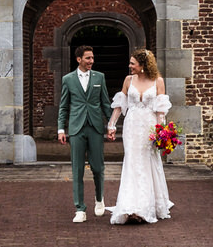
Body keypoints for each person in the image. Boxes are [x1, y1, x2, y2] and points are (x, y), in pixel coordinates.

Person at [106, 47, 173, 224]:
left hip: (149, 128)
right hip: (132, 126)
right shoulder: (129, 80)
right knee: (132, 162)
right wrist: (111, 125)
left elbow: (160, 111)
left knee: (148, 162)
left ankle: (146, 205)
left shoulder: (158, 81)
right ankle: (130, 205)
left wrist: (162, 132)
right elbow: (120, 105)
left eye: (132, 63)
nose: (130, 66)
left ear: (143, 65)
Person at [57, 44, 115, 223]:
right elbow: (64, 106)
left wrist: (111, 125)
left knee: (98, 168)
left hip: (95, 127)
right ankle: (80, 209)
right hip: (76, 128)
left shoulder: (100, 77)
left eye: (92, 58)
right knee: (77, 169)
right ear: (79, 59)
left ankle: (99, 200)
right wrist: (61, 129)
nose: (92, 61)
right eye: (88, 58)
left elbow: (105, 103)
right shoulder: (68, 79)